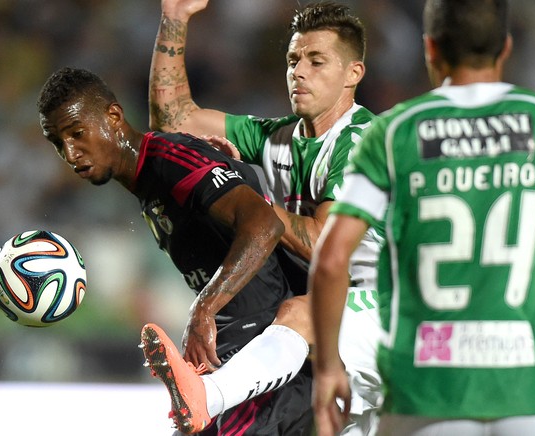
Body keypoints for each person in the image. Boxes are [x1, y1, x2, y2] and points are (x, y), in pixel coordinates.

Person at [309, 0, 535, 435]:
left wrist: (327, 369)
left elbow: (333, 258)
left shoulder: (392, 133)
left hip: (426, 392)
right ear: (505, 48)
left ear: (430, 49)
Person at [148, 0, 383, 434]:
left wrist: (244, 200)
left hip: (391, 307)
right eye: (294, 59)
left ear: (354, 74)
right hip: (346, 327)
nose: (299, 71)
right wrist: (175, 19)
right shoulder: (276, 136)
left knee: (299, 312)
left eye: (317, 61)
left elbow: (322, 244)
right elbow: (174, 120)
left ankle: (208, 397)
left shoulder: (361, 141)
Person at [36, 67, 313, 435]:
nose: (70, 153)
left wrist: (204, 308)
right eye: (58, 143)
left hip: (264, 348)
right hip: (236, 351)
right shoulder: (150, 182)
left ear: (113, 117)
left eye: (76, 133)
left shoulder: (168, 158)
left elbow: (264, 225)